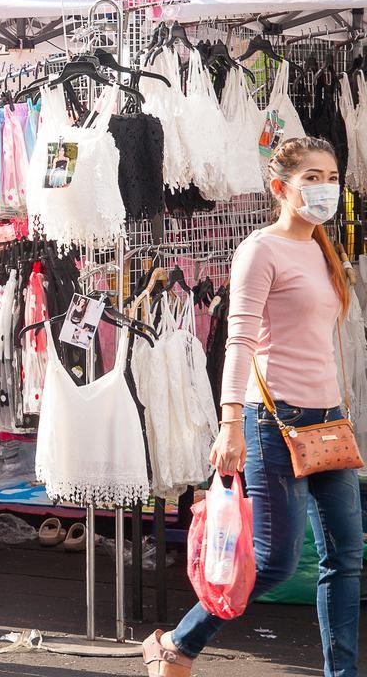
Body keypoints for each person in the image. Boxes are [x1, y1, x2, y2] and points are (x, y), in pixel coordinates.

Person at [142, 136, 362, 677]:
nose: (324, 188)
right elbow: (239, 340)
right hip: (272, 423)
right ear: (279, 187)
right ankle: (176, 643)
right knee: (274, 562)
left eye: (331, 177)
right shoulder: (260, 249)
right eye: (311, 177)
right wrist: (229, 425)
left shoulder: (321, 249)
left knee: (347, 559)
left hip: (328, 423)